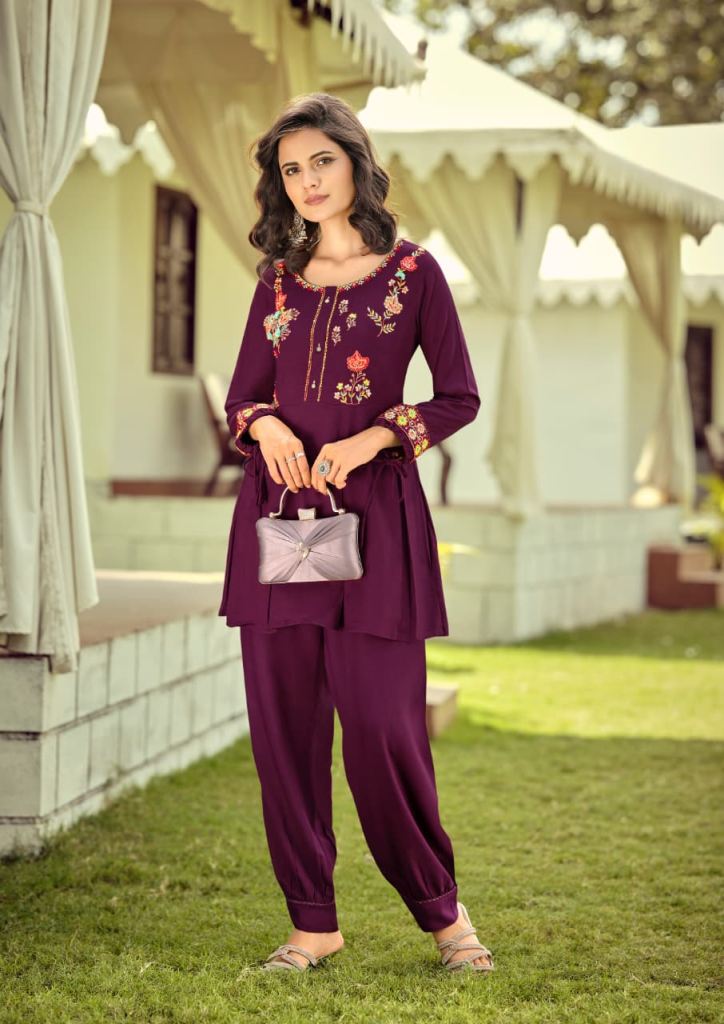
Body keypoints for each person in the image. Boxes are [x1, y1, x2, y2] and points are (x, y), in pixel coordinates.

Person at [218, 92, 494, 974]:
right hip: (280, 526)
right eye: (291, 169)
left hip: (378, 528)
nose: (307, 181)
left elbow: (458, 396)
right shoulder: (276, 281)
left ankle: (445, 917)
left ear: (355, 163)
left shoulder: (415, 273)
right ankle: (313, 925)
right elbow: (242, 397)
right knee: (285, 733)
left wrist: (375, 437)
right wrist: (266, 425)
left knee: (383, 731)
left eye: (321, 162)